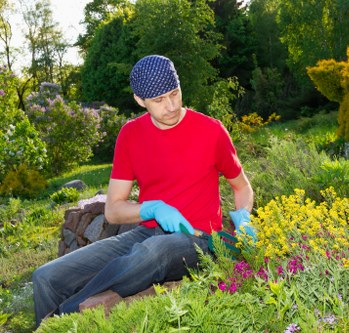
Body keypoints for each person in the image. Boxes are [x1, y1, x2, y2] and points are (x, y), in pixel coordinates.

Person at [32, 55, 255, 327]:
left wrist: (243, 216)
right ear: (140, 100)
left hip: (198, 237)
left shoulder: (211, 131)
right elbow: (113, 210)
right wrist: (151, 208)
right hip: (146, 231)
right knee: (45, 277)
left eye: (175, 94)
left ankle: (56, 322)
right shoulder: (130, 135)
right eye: (159, 100)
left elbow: (241, 186)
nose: (171, 106)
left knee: (152, 253)